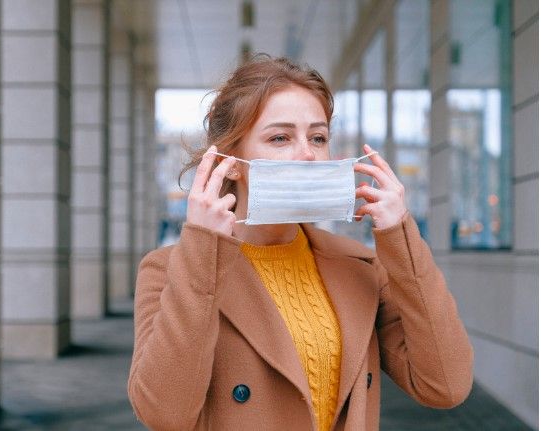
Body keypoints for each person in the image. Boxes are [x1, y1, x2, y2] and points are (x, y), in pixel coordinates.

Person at [127, 54, 473, 431]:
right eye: (280, 137)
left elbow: (446, 386)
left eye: (318, 137)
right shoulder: (169, 269)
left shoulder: (360, 265)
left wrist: (400, 237)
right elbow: (163, 413)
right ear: (233, 161)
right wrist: (201, 250)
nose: (308, 154)